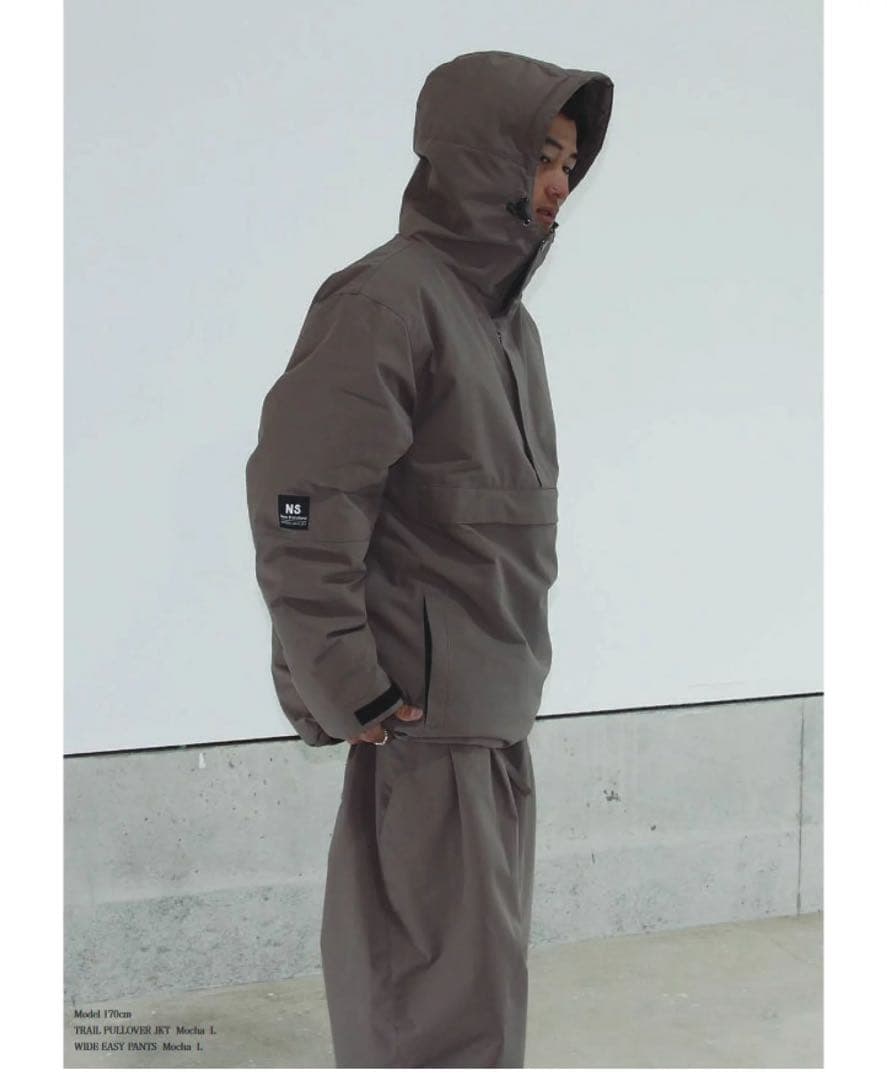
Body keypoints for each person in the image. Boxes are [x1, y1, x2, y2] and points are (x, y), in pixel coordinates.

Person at [245, 49, 613, 1068]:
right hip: (421, 714)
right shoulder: (386, 301)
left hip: (488, 708)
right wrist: (347, 681)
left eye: (570, 163)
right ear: (478, 154)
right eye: (541, 155)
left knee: (467, 983)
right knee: (432, 997)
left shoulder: (503, 324)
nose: (558, 184)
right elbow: (301, 502)